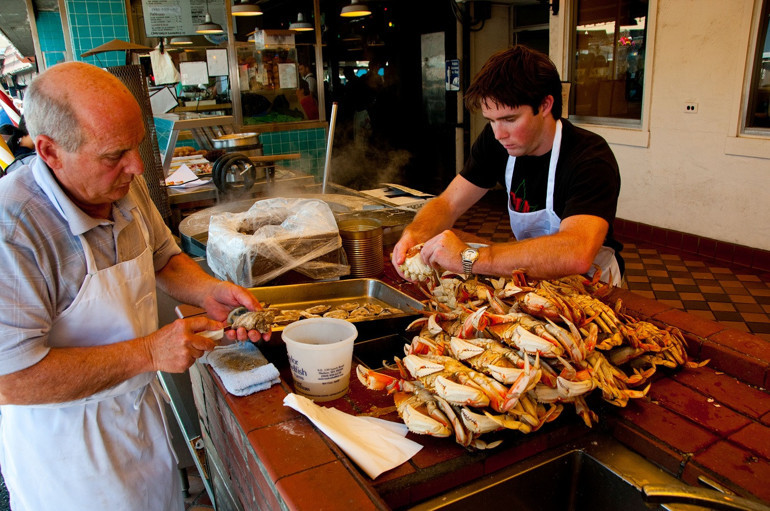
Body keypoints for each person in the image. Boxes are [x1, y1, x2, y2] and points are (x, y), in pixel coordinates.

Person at [0, 62, 270, 511]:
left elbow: (163, 258)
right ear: (50, 151)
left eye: (136, 147)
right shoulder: (14, 231)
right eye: (114, 155)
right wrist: (148, 353)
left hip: (138, 419)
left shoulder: (124, 184)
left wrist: (207, 291)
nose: (136, 166)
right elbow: (10, 378)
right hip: (69, 456)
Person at [392, 45, 624, 286]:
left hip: (593, 286)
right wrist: (416, 232)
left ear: (545, 105)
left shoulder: (589, 157)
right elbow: (448, 203)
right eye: (491, 120)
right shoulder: (496, 141)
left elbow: (576, 253)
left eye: (510, 120)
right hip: (531, 278)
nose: (499, 133)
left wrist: (469, 258)